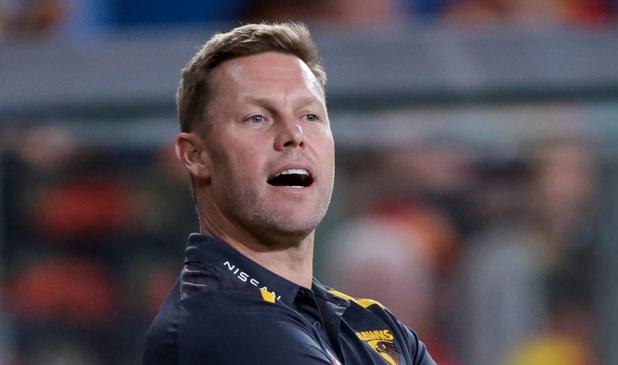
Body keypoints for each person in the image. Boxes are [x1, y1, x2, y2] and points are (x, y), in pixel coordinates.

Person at [142, 22, 436, 365]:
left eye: (310, 115)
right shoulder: (218, 324)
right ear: (196, 155)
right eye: (257, 118)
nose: (293, 135)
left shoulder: (372, 324)